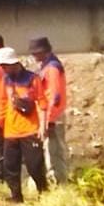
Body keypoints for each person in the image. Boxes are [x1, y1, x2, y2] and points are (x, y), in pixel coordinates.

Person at [0, 47, 49, 202]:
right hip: (10, 132)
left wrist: (43, 126)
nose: (2, 69)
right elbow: (3, 105)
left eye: (4, 66)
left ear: (12, 63)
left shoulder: (32, 79)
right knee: (11, 168)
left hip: (30, 131)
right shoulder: (6, 81)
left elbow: (43, 103)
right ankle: (16, 198)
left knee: (35, 167)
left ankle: (44, 194)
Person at [30, 37, 68, 183]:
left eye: (36, 53)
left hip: (53, 118)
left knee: (54, 153)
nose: (34, 56)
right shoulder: (47, 66)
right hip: (49, 116)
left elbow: (54, 96)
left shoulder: (51, 68)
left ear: (44, 52)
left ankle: (59, 184)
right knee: (50, 151)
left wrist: (47, 121)